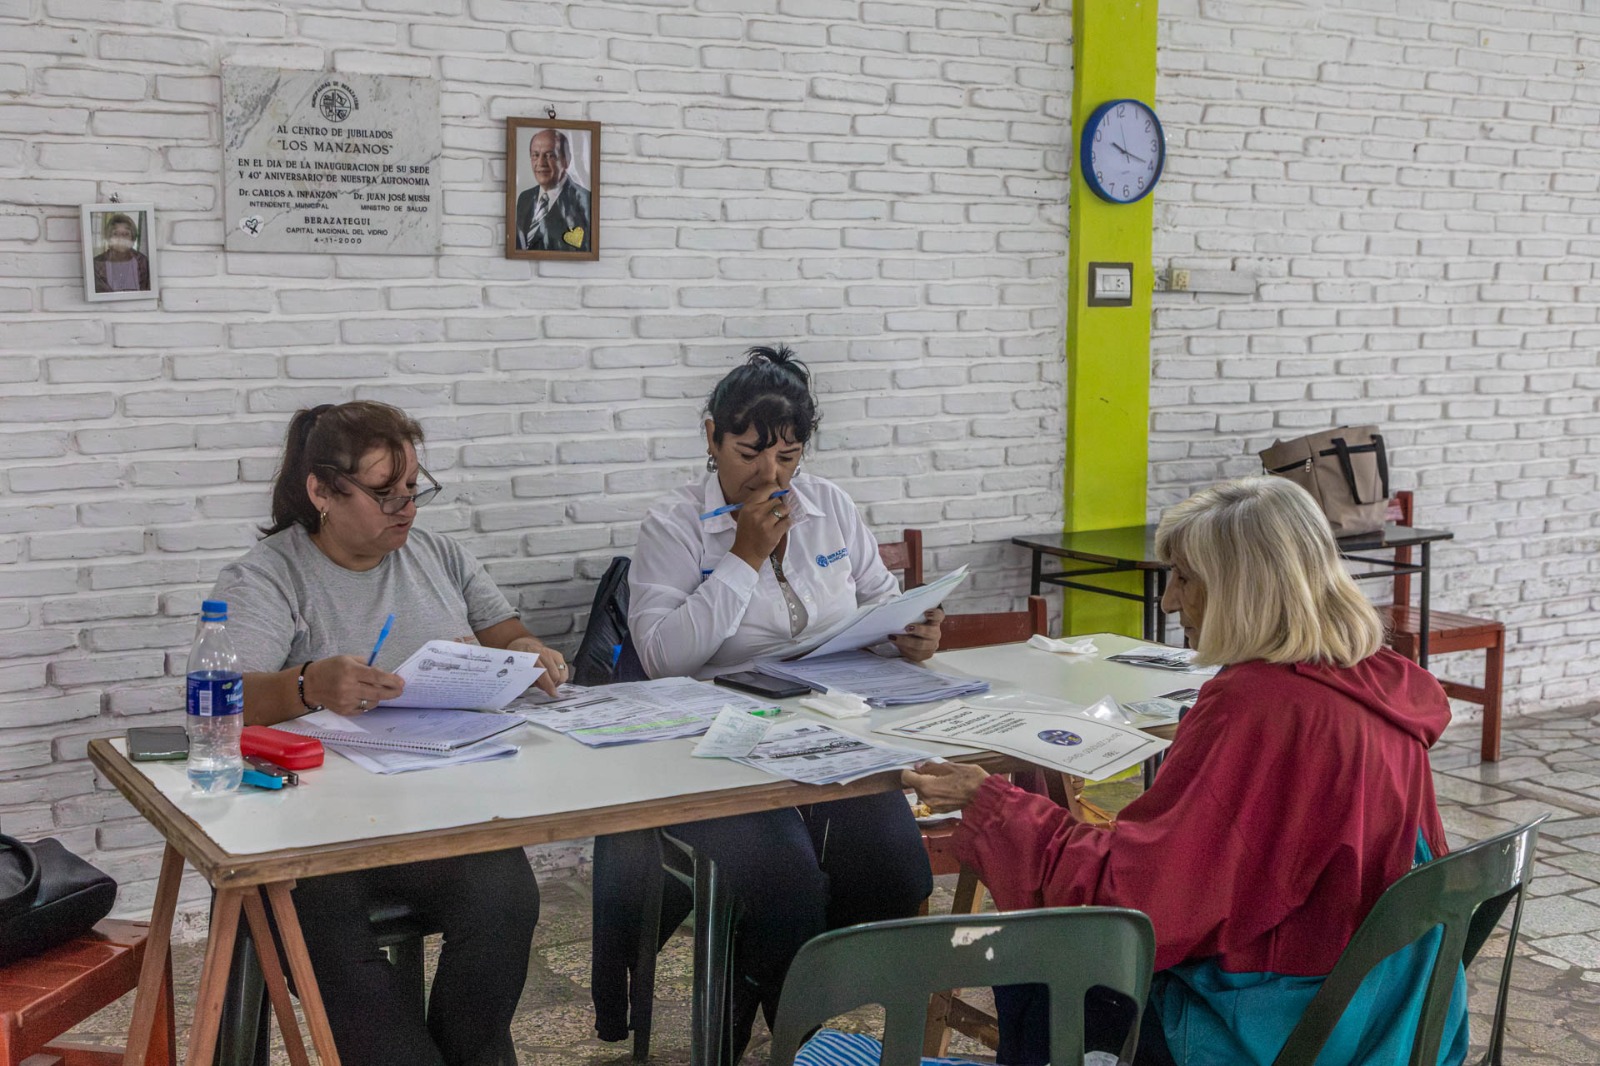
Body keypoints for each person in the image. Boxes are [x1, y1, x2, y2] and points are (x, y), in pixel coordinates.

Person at [904, 476, 1467, 1066]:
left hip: (1287, 1024)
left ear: (1240, 588)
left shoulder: (1259, 705)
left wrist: (993, 804)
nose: (1170, 602)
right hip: (1386, 1002)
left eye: (1185, 579)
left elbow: (1140, 905)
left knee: (1035, 959)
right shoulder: (1376, 678)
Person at [211, 400, 566, 1066]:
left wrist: (532, 654)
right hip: (311, 833)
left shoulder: (436, 555)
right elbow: (220, 699)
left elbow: (508, 635)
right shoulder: (267, 576)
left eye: (413, 490)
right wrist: (306, 684)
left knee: (505, 897)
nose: (405, 509)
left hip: (432, 808)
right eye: (383, 494)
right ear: (321, 491)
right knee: (337, 957)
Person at [626, 345, 945, 1058]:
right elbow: (662, 656)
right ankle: (797, 1035)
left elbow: (879, 603)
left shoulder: (829, 506)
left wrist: (908, 636)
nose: (770, 477)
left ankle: (786, 1000)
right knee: (786, 887)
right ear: (711, 437)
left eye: (789, 458)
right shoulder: (672, 526)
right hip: (716, 747)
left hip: (830, 733)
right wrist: (740, 557)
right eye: (748, 454)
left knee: (898, 871)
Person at [515, 128, 590, 252]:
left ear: (567, 160)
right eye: (535, 155)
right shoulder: (524, 198)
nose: (540, 163)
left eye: (550, 155)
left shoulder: (586, 201)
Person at [92, 212, 151, 293]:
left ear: (133, 239)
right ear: (109, 239)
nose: (121, 238)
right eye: (116, 233)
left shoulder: (144, 262)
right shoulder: (96, 264)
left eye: (126, 234)